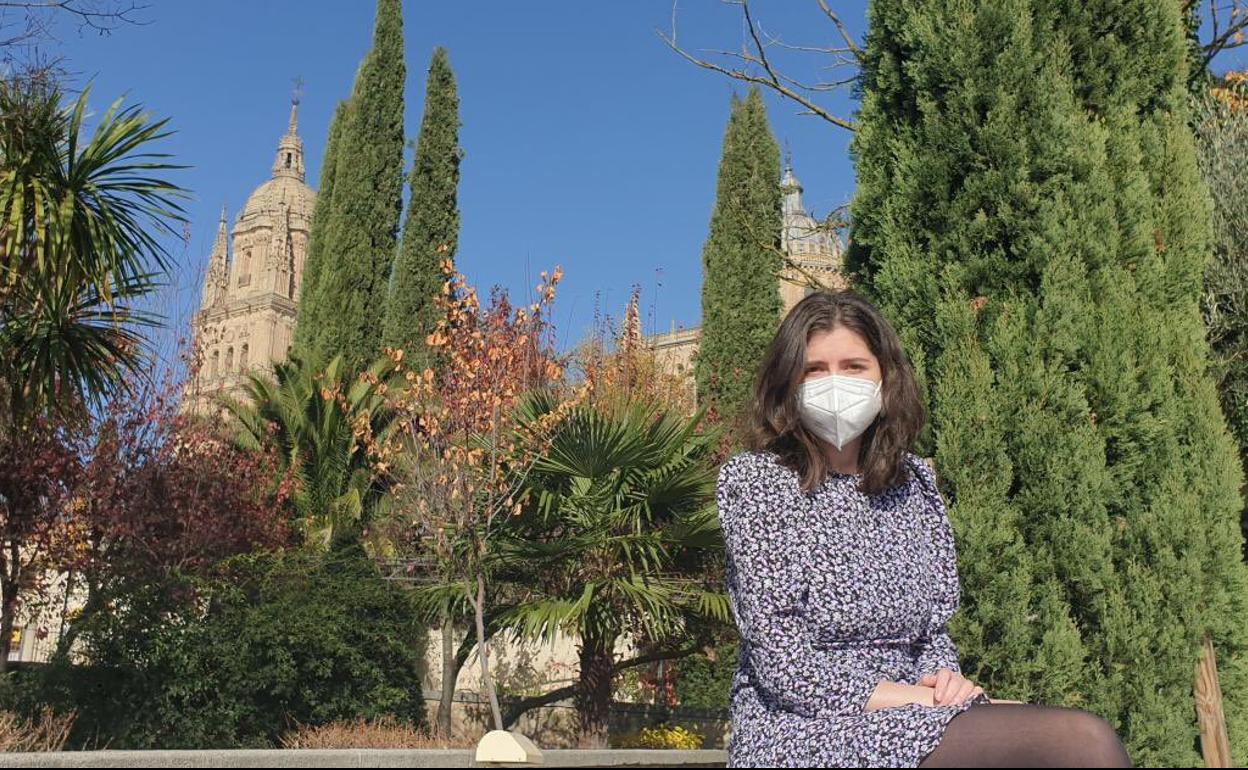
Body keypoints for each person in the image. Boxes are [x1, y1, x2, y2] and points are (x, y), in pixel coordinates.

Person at [718, 291, 1132, 768]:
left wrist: (943, 679)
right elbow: (783, 663)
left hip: (914, 710)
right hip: (801, 725)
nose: (835, 383)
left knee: (1069, 734)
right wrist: (911, 699)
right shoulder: (756, 482)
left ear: (884, 377)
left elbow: (930, 631)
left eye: (853, 366)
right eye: (814, 369)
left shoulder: (913, 482)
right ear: (787, 382)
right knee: (1078, 741)